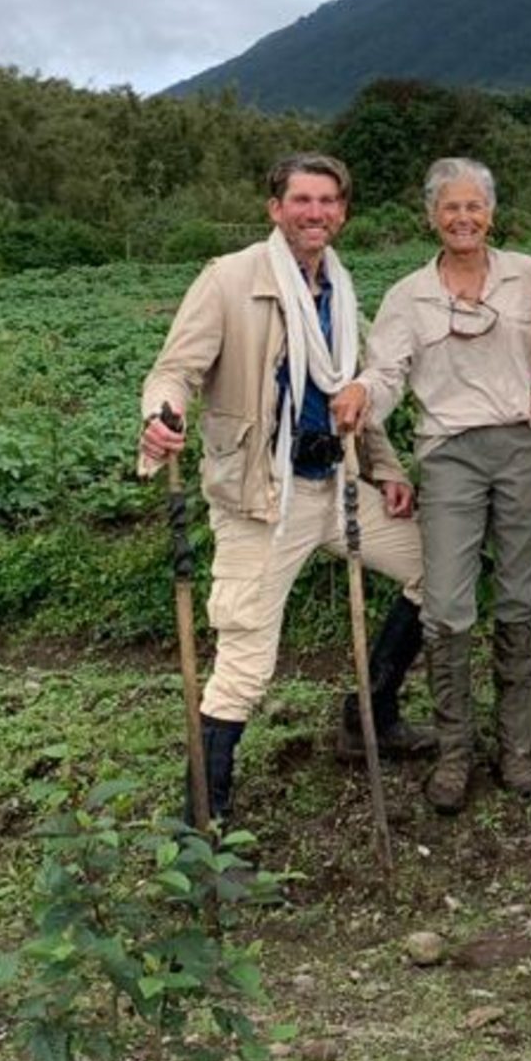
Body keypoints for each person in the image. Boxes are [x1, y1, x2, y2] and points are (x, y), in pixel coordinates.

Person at [138, 153, 422, 826]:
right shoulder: (231, 280)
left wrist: (386, 470)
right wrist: (159, 417)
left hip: (339, 484)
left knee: (436, 572)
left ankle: (368, 717)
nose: (315, 213)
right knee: (245, 666)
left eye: (328, 202)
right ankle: (201, 825)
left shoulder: (342, 291)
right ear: (275, 208)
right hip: (264, 498)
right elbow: (174, 370)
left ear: (343, 213)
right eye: (302, 200)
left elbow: (349, 391)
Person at [339, 157, 531, 815]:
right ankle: (454, 751)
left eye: (474, 206)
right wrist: (363, 395)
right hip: (448, 453)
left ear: (492, 214)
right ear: (431, 216)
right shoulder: (408, 296)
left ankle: (517, 747)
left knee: (520, 596)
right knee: (445, 603)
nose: (464, 218)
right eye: (451, 208)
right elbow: (386, 370)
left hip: (526, 444)